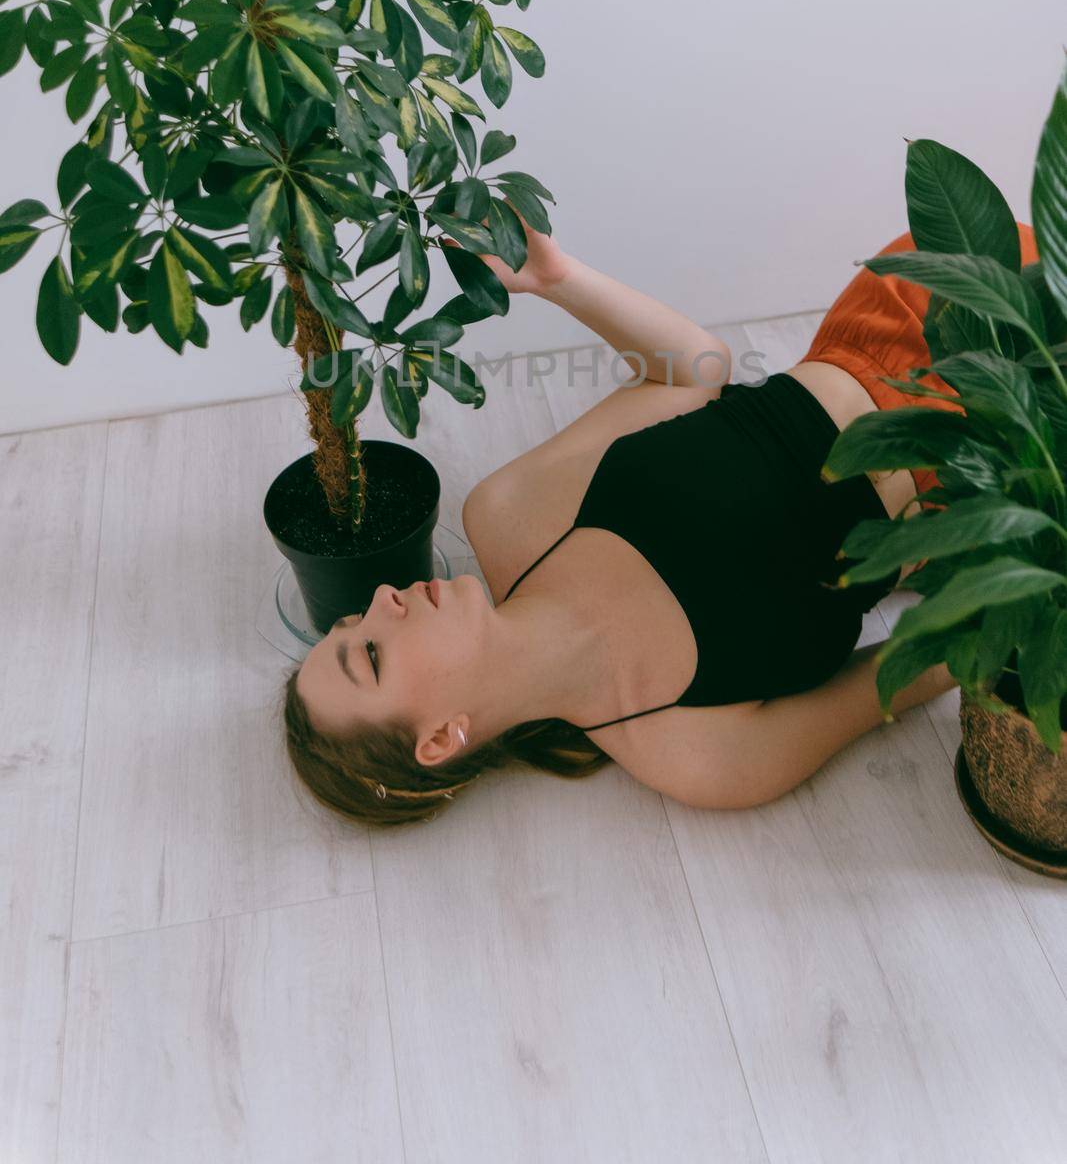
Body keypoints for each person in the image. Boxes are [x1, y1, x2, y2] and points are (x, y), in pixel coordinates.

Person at [281, 215, 1041, 829]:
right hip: (1013, 453)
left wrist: (556, 280)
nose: (385, 599)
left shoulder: (508, 513)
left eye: (355, 614)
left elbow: (694, 368)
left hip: (900, 316)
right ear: (442, 737)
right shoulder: (701, 757)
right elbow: (929, 664)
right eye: (371, 654)